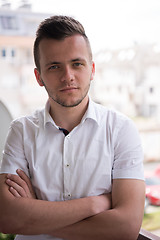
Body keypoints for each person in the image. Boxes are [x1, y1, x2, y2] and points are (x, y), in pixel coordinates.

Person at [0, 15, 145, 240]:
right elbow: (8, 218)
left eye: (77, 64)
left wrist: (33, 216)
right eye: (54, 66)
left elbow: (126, 227)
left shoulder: (121, 130)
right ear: (39, 77)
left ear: (92, 69)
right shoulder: (21, 131)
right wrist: (95, 204)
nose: (68, 76)